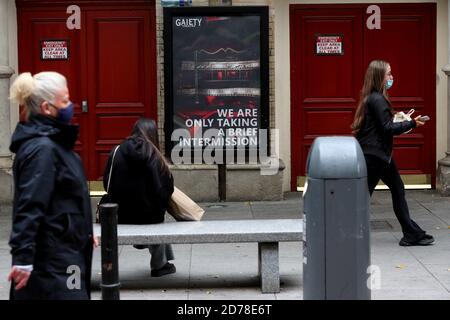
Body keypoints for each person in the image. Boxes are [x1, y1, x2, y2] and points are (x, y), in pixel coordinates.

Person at [7, 72, 94, 299]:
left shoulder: (54, 144)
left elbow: (65, 199)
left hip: (65, 252)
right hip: (54, 261)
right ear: (46, 108)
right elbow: (30, 204)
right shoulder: (43, 150)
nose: (70, 106)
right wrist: (23, 259)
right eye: (64, 101)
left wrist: (84, 229)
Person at [352, 60, 434, 246]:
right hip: (376, 155)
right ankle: (344, 232)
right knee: (363, 196)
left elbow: (381, 125)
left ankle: (412, 233)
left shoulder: (373, 97)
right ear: (380, 77)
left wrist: (399, 119)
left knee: (397, 189)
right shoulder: (377, 99)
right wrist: (412, 123)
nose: (392, 77)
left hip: (379, 154)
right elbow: (387, 128)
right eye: (389, 74)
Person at [103, 118, 176, 277]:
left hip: (121, 215)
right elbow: (166, 188)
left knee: (155, 217)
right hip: (150, 216)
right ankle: (159, 265)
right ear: (153, 134)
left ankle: (109, 269)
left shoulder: (116, 151)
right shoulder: (155, 155)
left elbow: (106, 184)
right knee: (159, 219)